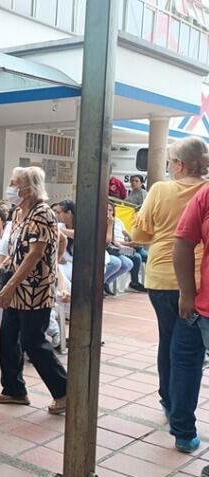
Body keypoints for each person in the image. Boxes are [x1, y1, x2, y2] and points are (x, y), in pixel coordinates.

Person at [131, 137, 209, 425]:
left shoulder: (161, 189)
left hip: (162, 276)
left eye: (169, 162)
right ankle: (180, 409)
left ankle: (169, 399)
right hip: (200, 280)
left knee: (169, 339)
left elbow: (140, 235)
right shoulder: (206, 189)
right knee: (190, 348)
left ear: (178, 165)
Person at [0, 167, 67, 415]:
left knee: (33, 341)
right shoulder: (20, 212)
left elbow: (35, 253)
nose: (10, 188)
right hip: (16, 282)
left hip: (34, 289)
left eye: (14, 183)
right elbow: (19, 249)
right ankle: (14, 390)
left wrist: (48, 268)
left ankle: (65, 392)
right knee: (9, 338)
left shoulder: (42, 213)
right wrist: (3, 268)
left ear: (28, 187)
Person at [169, 140, 209, 454]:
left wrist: (186, 292)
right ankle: (182, 431)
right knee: (182, 358)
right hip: (199, 302)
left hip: (194, 299)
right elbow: (181, 241)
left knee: (182, 360)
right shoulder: (204, 194)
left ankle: (183, 432)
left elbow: (181, 242)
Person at [105, 203, 134, 296]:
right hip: (105, 249)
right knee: (116, 263)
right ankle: (99, 284)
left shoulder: (115, 221)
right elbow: (106, 241)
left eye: (111, 210)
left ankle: (106, 282)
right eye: (107, 210)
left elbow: (113, 240)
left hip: (114, 248)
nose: (109, 212)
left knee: (130, 260)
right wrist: (109, 225)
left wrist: (123, 247)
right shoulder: (106, 222)